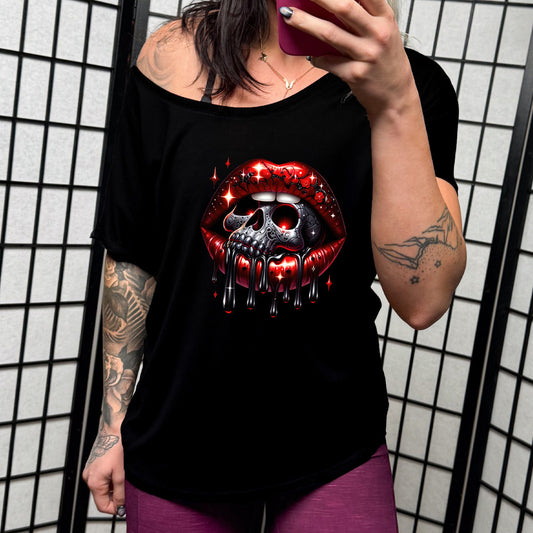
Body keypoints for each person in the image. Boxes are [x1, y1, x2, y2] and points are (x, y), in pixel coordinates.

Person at [83, 0, 466, 530]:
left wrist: (395, 101)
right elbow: (133, 254)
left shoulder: (412, 86)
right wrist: (112, 425)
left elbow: (423, 300)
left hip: (333, 444)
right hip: (179, 440)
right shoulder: (171, 58)